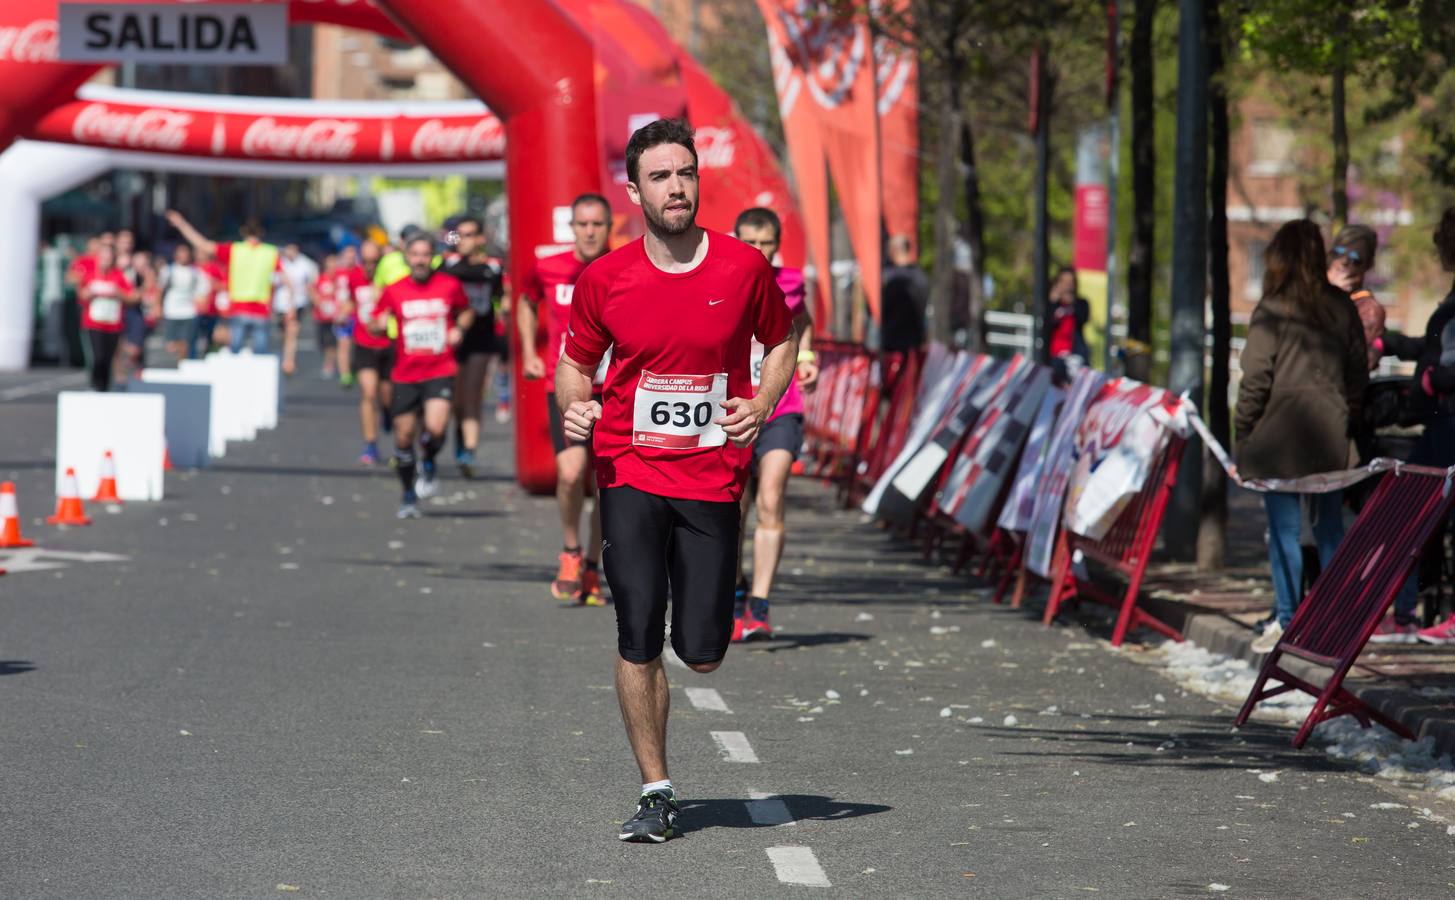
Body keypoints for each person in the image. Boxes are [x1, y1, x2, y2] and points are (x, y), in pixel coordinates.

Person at [557, 119, 795, 843]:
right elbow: (574, 363)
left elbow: (780, 342)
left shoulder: (740, 269)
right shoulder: (605, 279)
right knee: (636, 629)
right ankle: (655, 791)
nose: (675, 187)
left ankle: (706, 626)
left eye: (685, 173)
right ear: (635, 191)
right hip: (628, 468)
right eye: (659, 176)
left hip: (711, 475)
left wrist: (759, 404)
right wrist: (578, 407)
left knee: (701, 649)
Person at [1237, 220, 1367, 655]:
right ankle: (1333, 621)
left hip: (1278, 440)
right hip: (1330, 434)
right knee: (1329, 528)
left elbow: (1255, 378)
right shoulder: (1341, 306)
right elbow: (1357, 373)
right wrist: (1345, 412)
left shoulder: (1272, 309)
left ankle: (1289, 620)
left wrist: (1244, 430)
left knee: (1285, 531)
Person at [518, 193, 613, 605]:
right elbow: (525, 300)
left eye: (597, 224)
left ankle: (593, 565)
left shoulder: (625, 267)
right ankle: (571, 550)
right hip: (568, 387)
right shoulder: (549, 267)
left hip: (618, 391)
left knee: (610, 488)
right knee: (572, 474)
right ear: (571, 228)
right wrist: (527, 352)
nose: (590, 231)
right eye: (583, 224)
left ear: (608, 228)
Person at [730, 206, 819, 641]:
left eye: (767, 243)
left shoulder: (792, 283)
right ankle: (735, 589)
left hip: (782, 405)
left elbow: (803, 324)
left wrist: (805, 357)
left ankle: (760, 606)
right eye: (751, 242)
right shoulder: (722, 280)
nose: (759, 251)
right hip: (733, 408)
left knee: (771, 495)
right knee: (734, 508)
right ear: (737, 240)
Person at [1370, 208, 1455, 644]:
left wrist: (1432, 381)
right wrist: (1393, 343)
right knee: (1414, 517)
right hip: (1440, 424)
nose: (1438, 251)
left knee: (1409, 514)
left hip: (1448, 426)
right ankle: (1406, 612)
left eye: (1442, 242)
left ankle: (1408, 614)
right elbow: (1433, 346)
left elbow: (1444, 360)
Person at [368, 236, 472, 519]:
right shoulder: (394, 290)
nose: (420, 260)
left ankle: (428, 459)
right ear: (406, 257)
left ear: (433, 257)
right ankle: (408, 494)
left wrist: (459, 330)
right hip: (405, 373)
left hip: (440, 369)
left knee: (437, 428)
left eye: (425, 254)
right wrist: (376, 325)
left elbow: (466, 312)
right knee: (403, 436)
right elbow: (374, 320)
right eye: (415, 254)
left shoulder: (449, 286)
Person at [165, 210, 283, 354]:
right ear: (262, 232)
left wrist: (181, 224)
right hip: (261, 309)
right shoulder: (270, 252)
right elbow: (283, 280)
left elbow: (204, 245)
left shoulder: (235, 250)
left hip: (239, 307)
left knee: (234, 355)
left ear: (243, 232)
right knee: (260, 358)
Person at [442, 215, 505, 478]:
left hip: (482, 337)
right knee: (456, 401)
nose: (464, 241)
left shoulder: (493, 268)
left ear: (480, 239)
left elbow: (502, 298)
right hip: (453, 339)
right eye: (460, 235)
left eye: (470, 235)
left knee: (472, 395)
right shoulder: (448, 265)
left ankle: (469, 450)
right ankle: (460, 440)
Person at [347, 241, 393, 465]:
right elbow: (350, 302)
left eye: (374, 261)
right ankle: (371, 445)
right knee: (368, 393)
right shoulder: (353, 277)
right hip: (364, 342)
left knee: (387, 395)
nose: (369, 266)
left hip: (388, 343)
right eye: (364, 261)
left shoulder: (390, 278)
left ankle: (387, 412)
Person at [77, 243, 138, 392]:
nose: (106, 260)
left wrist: (118, 293)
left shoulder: (118, 276)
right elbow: (81, 295)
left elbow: (133, 297)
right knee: (98, 356)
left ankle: (104, 387)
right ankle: (95, 385)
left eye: (109, 258)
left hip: (113, 324)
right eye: (103, 257)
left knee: (108, 358)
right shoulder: (91, 275)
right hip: (94, 323)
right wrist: (90, 292)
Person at [880, 234, 928, 355]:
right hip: (915, 341)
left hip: (894, 344)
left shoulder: (893, 278)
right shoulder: (920, 276)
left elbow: (882, 307)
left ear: (896, 250)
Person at [160, 243, 207, 361]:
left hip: (188, 312)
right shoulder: (168, 271)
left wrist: (200, 302)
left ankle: (182, 365)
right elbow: (159, 290)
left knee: (186, 343)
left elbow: (202, 291)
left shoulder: (195, 273)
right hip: (171, 311)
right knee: (171, 344)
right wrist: (158, 306)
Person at [278, 243, 319, 376]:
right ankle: (284, 357)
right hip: (280, 304)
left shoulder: (305, 264)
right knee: (284, 334)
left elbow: (310, 283)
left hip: (298, 303)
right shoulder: (279, 262)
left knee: (292, 332)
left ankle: (289, 361)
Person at [1047, 266, 1091, 384]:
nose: (1067, 286)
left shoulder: (1081, 304)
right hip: (1053, 356)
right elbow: (1045, 324)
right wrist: (1053, 302)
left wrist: (1073, 303)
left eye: (1070, 282)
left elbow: (1083, 319)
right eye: (1064, 282)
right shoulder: (1050, 304)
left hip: (1074, 357)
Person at [310, 253, 343, 379]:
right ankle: (329, 362)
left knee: (332, 343)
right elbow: (312, 290)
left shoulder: (340, 279)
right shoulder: (321, 278)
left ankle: (330, 365)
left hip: (335, 318)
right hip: (321, 316)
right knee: (322, 343)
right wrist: (317, 301)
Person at [335, 245, 362, 385]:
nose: (350, 259)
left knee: (358, 345)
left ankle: (356, 369)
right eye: (347, 256)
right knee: (343, 344)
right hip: (342, 314)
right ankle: (344, 374)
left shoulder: (360, 272)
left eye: (353, 256)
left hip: (356, 314)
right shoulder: (338, 273)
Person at [192, 246, 225, 359]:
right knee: (193, 337)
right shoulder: (192, 269)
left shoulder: (215, 268)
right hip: (194, 310)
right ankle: (193, 359)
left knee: (211, 337)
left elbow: (224, 285)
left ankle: (210, 357)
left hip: (212, 309)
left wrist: (212, 284)